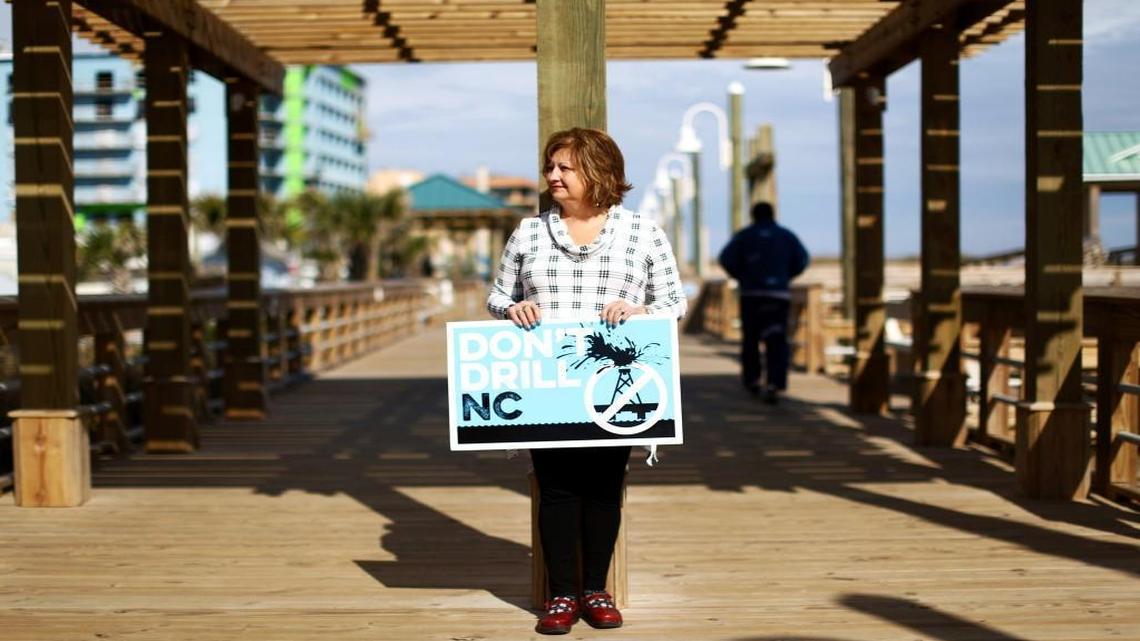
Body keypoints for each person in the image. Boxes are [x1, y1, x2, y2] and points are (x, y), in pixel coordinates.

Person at [487, 127, 686, 635]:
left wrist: (639, 309)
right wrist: (514, 308)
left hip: (616, 383)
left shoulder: (642, 233)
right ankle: (560, 597)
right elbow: (496, 297)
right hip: (546, 386)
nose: (552, 176)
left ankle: (596, 590)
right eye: (550, 167)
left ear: (598, 172)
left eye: (564, 167)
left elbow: (674, 303)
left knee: (602, 488)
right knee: (554, 489)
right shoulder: (529, 233)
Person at [717, 201, 809, 404]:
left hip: (751, 295)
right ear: (773, 214)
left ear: (753, 215)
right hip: (777, 296)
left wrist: (741, 276)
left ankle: (753, 380)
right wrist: (785, 276)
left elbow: (725, 258)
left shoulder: (744, 236)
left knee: (751, 340)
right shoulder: (786, 235)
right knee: (776, 340)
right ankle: (775, 383)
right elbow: (803, 259)